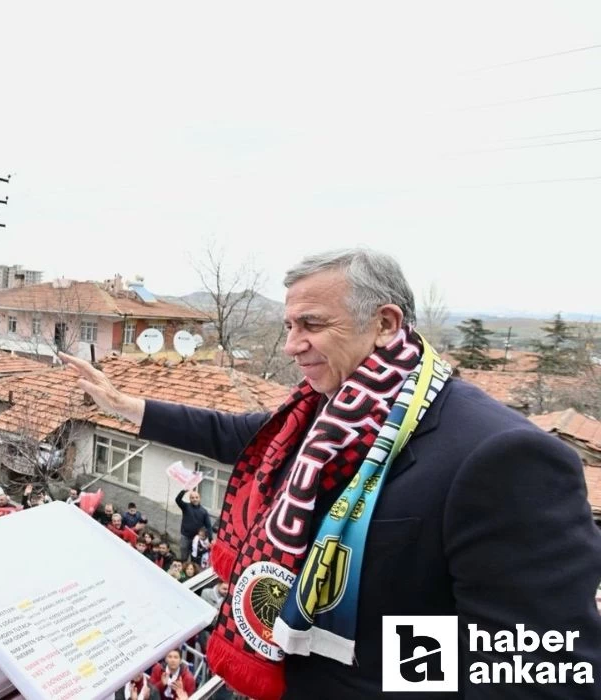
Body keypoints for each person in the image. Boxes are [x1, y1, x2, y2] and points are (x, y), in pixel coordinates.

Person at [63, 248, 601, 700]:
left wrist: (374, 667)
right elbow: (237, 435)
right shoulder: (327, 409)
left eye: (313, 325)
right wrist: (123, 406)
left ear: (385, 324)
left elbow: (540, 672)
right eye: (290, 326)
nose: (294, 344)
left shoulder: (503, 456)